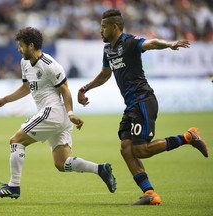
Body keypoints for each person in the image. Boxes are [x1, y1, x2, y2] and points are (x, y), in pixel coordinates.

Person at [77, 9, 209, 205]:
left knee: (141, 150)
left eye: (103, 26)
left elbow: (151, 43)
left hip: (143, 100)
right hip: (131, 105)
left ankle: (187, 137)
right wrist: (85, 88)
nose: (100, 30)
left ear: (115, 27)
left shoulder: (130, 42)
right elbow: (105, 75)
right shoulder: (108, 50)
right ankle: (150, 193)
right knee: (126, 149)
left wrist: (169, 44)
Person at [0, 27, 116, 199]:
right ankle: (100, 169)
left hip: (53, 112)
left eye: (21, 45)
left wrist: (71, 113)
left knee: (16, 141)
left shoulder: (50, 65)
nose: (18, 49)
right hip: (58, 118)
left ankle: (13, 186)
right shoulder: (25, 63)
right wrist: (4, 100)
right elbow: (26, 87)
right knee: (62, 164)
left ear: (31, 45)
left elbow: (65, 89)